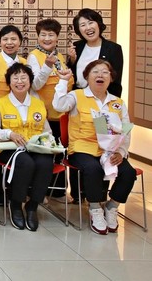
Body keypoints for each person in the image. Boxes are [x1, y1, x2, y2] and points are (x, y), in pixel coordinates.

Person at [53, 60, 136, 235]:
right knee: (93, 168)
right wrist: (63, 81)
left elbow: (126, 131)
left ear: (111, 78)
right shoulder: (77, 96)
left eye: (105, 72)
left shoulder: (118, 103)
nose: (100, 75)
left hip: (110, 151)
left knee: (128, 172)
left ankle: (112, 206)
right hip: (82, 148)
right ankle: (95, 209)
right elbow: (58, 106)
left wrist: (121, 152)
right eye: (95, 72)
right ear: (87, 77)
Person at [0, 63, 53, 231]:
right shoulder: (1, 103)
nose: (20, 81)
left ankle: (32, 206)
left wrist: (46, 142)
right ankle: (16, 204)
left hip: (35, 148)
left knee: (46, 163)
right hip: (10, 148)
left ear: (30, 82)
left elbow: (47, 131)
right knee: (26, 163)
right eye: (15, 78)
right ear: (9, 82)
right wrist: (9, 134)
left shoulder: (38, 104)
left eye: (24, 77)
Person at [27, 19, 73, 201]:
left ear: (57, 37)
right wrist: (46, 65)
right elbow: (35, 85)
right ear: (37, 37)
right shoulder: (34, 56)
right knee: (43, 152)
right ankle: (39, 191)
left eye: (51, 35)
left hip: (59, 113)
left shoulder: (59, 56)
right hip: (43, 113)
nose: (47, 38)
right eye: (43, 35)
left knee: (58, 152)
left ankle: (58, 191)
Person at [66, 8, 123, 97]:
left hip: (101, 98)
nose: (88, 28)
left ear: (98, 24)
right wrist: (72, 60)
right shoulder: (77, 46)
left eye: (91, 22)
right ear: (79, 30)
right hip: (77, 97)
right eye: (83, 25)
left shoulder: (113, 49)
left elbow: (115, 81)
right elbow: (70, 75)